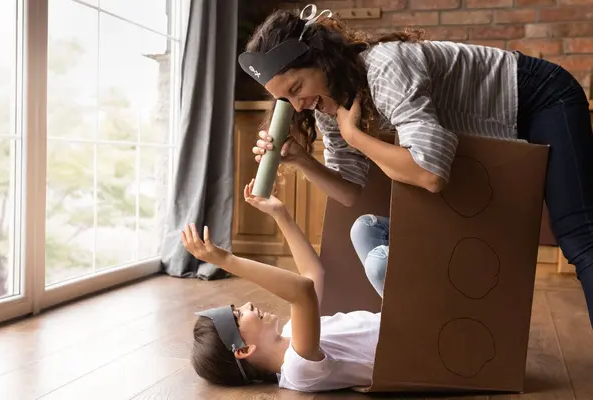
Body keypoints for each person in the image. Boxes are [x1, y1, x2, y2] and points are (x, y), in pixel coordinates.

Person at [241, 4, 593, 328]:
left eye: (296, 88)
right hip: (496, 124)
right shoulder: (329, 106)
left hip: (540, 96)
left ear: (320, 59)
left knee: (578, 232)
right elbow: (350, 192)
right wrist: (302, 161)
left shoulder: (385, 67)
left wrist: (355, 136)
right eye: (284, 99)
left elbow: (430, 175)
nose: (298, 106)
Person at [184, 178, 381, 392]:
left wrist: (280, 214)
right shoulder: (298, 370)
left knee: (366, 229)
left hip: (398, 320)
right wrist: (227, 260)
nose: (247, 305)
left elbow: (313, 273)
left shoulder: (292, 332)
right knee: (379, 261)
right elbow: (302, 290)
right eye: (238, 316)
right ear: (243, 350)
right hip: (414, 343)